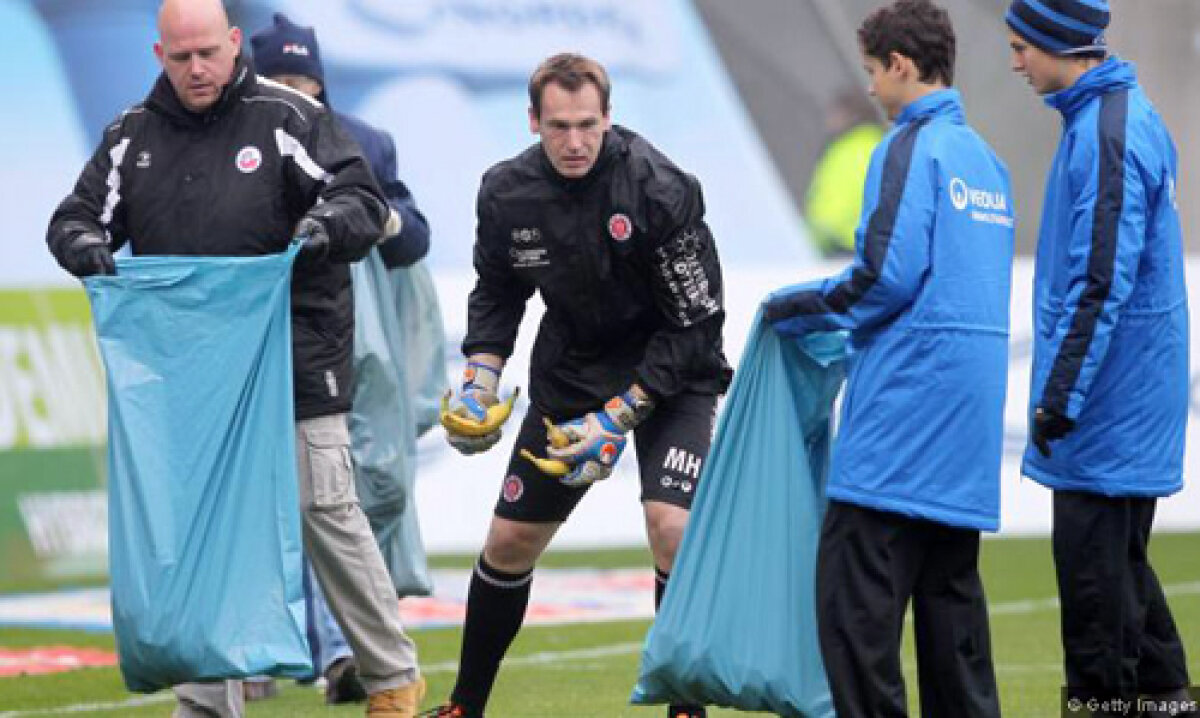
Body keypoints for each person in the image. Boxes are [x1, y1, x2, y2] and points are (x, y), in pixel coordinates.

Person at [45, 2, 425, 717]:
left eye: (207, 54)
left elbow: (360, 199)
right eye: (180, 57)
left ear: (230, 43)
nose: (196, 69)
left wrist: (322, 226)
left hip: (297, 353)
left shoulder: (287, 118)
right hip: (189, 368)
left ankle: (390, 676)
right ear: (159, 52)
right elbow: (73, 217)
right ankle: (208, 704)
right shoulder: (132, 136)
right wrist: (85, 250)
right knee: (200, 533)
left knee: (325, 506)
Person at [428, 53, 731, 718]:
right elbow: (499, 291)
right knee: (508, 544)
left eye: (587, 125)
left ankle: (687, 708)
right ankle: (463, 707)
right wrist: (479, 380)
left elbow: (698, 325)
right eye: (559, 125)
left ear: (609, 119)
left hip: (673, 370)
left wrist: (618, 418)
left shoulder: (658, 188)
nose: (574, 141)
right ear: (533, 121)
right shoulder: (506, 193)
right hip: (573, 368)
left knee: (671, 528)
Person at [763, 1, 1013, 715]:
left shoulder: (911, 147)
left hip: (900, 426)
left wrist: (792, 306)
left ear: (901, 65)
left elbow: (884, 277)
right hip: (963, 430)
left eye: (874, 71)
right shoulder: (985, 160)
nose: (871, 87)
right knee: (952, 628)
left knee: (854, 622)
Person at [1006, 0, 1194, 710]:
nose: (1015, 61)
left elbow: (1101, 277)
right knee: (1130, 599)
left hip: (1106, 410)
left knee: (1098, 621)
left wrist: (1061, 395)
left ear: (1060, 45)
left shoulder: (1107, 130)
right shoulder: (1111, 118)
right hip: (1120, 403)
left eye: (1022, 46)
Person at [249, 12, 434, 706]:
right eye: (279, 78)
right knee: (275, 501)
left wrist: (378, 217)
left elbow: (412, 237)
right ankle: (265, 652)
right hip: (260, 344)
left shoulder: (365, 144)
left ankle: (346, 650)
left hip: (350, 346)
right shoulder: (230, 143)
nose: (294, 91)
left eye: (304, 78)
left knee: (345, 496)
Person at [804, 88, 885, 257]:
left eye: (834, 115)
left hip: (844, 245)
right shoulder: (878, 144)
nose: (828, 121)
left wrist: (814, 237)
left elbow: (836, 204)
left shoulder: (849, 149)